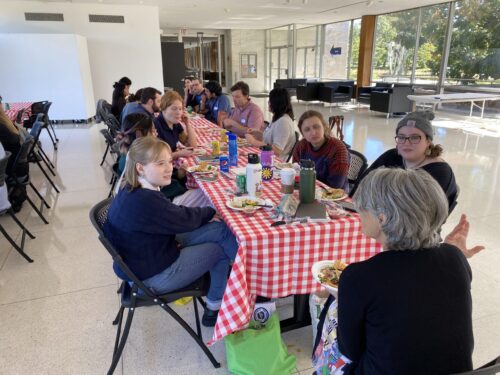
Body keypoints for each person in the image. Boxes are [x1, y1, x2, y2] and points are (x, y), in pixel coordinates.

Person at [321, 168, 474, 375]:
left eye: (361, 207)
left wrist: (339, 300)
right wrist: (450, 251)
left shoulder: (359, 277)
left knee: (326, 312)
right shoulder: (455, 258)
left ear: (382, 219)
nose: (357, 212)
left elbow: (350, 351)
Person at [103, 137, 238, 326]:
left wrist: (208, 216)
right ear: (140, 168)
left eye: (169, 162)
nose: (169, 168)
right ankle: (222, 303)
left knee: (220, 230)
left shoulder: (129, 188)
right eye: (160, 163)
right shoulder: (147, 201)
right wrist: (210, 212)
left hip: (142, 263)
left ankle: (243, 281)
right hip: (153, 277)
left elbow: (178, 216)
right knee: (219, 248)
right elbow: (182, 218)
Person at [349, 111, 458, 213]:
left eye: (415, 138)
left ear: (428, 141)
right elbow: (362, 184)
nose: (406, 143)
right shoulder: (392, 156)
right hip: (377, 218)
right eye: (401, 137)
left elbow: (421, 215)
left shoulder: (440, 172)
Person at [292, 110, 349, 190]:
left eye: (316, 127)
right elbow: (295, 173)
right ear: (303, 134)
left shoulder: (337, 148)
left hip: (333, 196)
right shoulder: (301, 146)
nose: (313, 132)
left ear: (324, 127)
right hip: (307, 189)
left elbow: (336, 185)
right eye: (307, 130)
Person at [245, 87, 296, 160]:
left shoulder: (283, 122)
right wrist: (258, 133)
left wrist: (254, 142)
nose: (268, 103)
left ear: (276, 103)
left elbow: (277, 150)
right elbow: (271, 140)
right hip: (266, 157)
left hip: (275, 162)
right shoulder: (277, 117)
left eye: (270, 100)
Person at [154, 91, 197, 160]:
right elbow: (156, 158)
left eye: (180, 109)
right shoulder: (155, 126)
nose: (178, 112)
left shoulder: (175, 124)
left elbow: (192, 145)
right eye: (174, 109)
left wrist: (187, 124)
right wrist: (179, 154)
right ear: (163, 109)